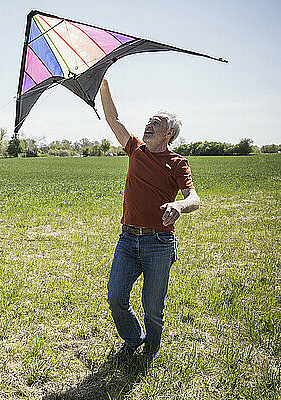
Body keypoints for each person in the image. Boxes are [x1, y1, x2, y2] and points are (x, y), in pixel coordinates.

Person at [99, 79, 200, 362]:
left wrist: (179, 205)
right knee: (116, 297)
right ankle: (133, 339)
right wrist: (104, 83)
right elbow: (112, 118)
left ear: (168, 133)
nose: (149, 124)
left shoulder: (177, 162)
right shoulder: (136, 149)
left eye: (156, 122)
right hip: (128, 238)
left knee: (152, 307)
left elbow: (194, 198)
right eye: (148, 121)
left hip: (159, 242)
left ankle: (150, 351)